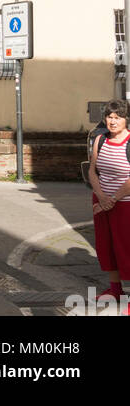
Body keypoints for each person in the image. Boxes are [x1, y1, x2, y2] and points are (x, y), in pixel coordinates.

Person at [89, 99, 130, 311]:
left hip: (124, 204)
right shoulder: (100, 140)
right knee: (107, 248)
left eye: (118, 117)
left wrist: (111, 200)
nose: (112, 121)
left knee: (126, 249)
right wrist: (101, 197)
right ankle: (115, 291)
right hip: (102, 201)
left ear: (126, 119)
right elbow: (92, 171)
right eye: (109, 117)